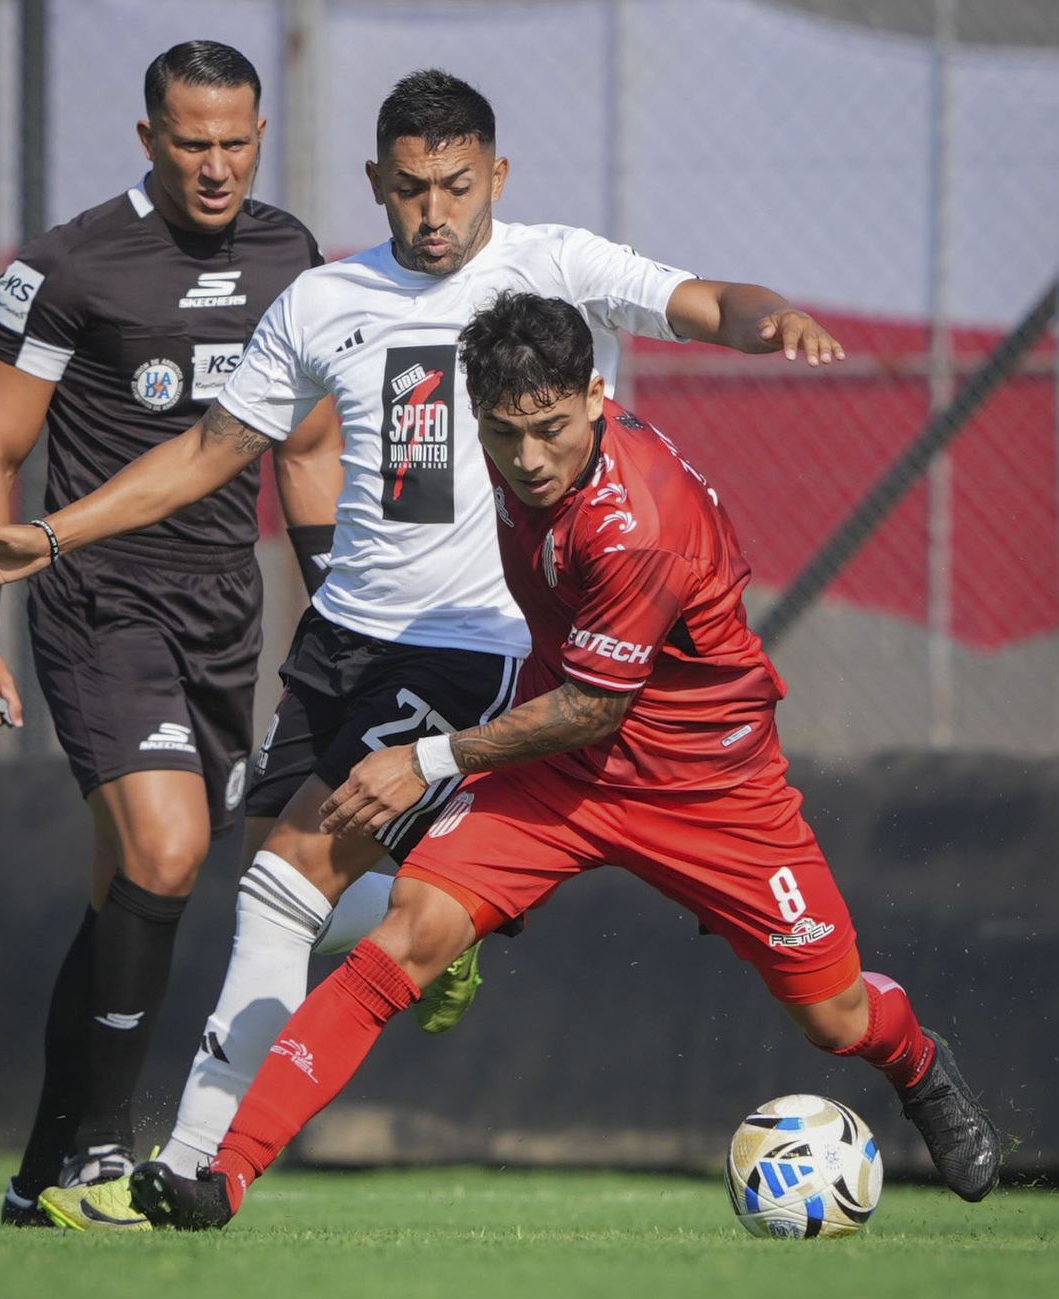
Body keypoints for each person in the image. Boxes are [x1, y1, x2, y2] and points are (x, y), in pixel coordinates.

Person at [0, 69, 851, 1230]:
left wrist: (774, 322)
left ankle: (194, 1165)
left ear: (496, 179)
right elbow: (215, 446)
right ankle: (418, 919)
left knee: (279, 887)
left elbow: (705, 299)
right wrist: (52, 538)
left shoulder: (550, 265)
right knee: (282, 881)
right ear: (376, 183)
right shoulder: (322, 300)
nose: (435, 212)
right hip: (340, 644)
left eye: (456, 186)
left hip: (468, 647)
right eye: (410, 188)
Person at [118, 292, 1001, 1230]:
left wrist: (427, 759)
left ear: (594, 393)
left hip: (709, 789)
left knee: (834, 1020)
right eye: (505, 435)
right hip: (562, 777)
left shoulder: (638, 523)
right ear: (479, 415)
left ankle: (919, 1064)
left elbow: (593, 707)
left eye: (549, 430)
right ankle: (224, 1177)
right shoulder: (510, 442)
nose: (530, 459)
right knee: (406, 937)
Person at [0, 40, 348, 1228]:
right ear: (146, 140)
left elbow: (310, 449)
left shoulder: (289, 255)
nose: (216, 166)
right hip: (97, 595)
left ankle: (37, 1175)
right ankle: (103, 1158)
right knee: (168, 853)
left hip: (227, 605)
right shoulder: (67, 268)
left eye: (236, 141)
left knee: (133, 885)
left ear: (260, 135)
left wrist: (327, 601)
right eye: (191, 142)